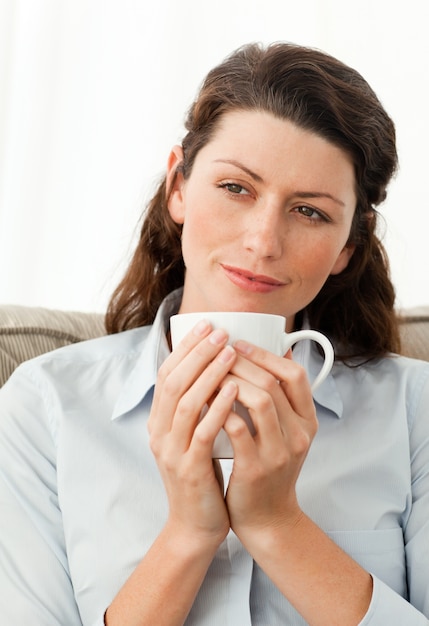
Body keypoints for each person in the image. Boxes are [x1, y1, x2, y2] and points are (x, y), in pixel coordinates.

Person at [0, 41, 428, 626]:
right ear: (179, 186)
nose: (262, 241)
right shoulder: (44, 405)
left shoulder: (414, 410)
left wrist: (278, 525)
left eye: (310, 212)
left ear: (348, 246)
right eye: (236, 188)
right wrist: (188, 533)